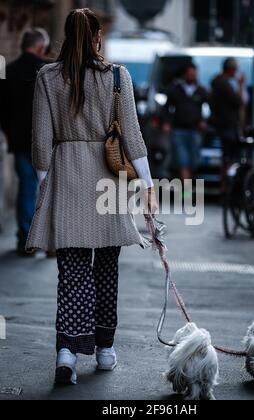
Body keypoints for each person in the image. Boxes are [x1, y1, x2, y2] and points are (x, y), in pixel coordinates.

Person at [25, 8, 158, 384]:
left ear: (65, 36)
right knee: (106, 269)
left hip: (67, 176)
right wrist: (148, 186)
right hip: (108, 186)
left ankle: (66, 353)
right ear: (97, 36)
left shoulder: (47, 77)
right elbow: (132, 136)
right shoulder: (117, 77)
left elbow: (40, 142)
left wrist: (45, 186)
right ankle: (104, 349)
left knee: (71, 271)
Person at [1, 29, 49, 256]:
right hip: (46, 142)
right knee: (47, 189)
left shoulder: (9, 71)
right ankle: (47, 239)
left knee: (27, 188)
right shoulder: (47, 71)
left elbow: (2, 112)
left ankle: (26, 238)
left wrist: (11, 134)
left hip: (20, 141)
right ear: (40, 48)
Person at [162, 63, 208, 181]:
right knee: (182, 161)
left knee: (193, 162)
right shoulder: (176, 89)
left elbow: (210, 108)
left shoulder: (201, 90)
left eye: (193, 74)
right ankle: (187, 194)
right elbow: (167, 107)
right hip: (179, 130)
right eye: (189, 74)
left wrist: (204, 121)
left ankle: (186, 189)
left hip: (194, 130)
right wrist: (167, 123)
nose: (191, 76)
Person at [210, 57, 246, 166]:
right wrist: (241, 85)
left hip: (224, 124)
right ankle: (226, 182)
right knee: (229, 157)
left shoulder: (219, 83)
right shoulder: (223, 84)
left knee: (229, 157)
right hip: (227, 124)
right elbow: (239, 101)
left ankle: (226, 181)